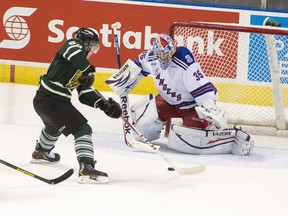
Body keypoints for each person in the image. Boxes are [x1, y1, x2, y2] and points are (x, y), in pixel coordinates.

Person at [106, 33, 254, 156]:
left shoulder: (183, 60)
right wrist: (123, 78)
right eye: (159, 54)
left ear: (173, 50)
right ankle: (159, 124)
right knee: (141, 131)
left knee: (190, 142)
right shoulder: (150, 58)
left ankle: (225, 137)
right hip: (167, 102)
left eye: (165, 54)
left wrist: (209, 107)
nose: (162, 58)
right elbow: (136, 66)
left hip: (191, 107)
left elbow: (201, 85)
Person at [30, 27, 122, 184]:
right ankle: (86, 167)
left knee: (55, 126)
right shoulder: (73, 44)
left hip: (45, 101)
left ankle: (41, 152)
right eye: (92, 46)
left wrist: (104, 104)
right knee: (82, 129)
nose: (93, 51)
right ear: (85, 43)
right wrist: (89, 70)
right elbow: (73, 52)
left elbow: (84, 94)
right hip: (51, 100)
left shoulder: (80, 65)